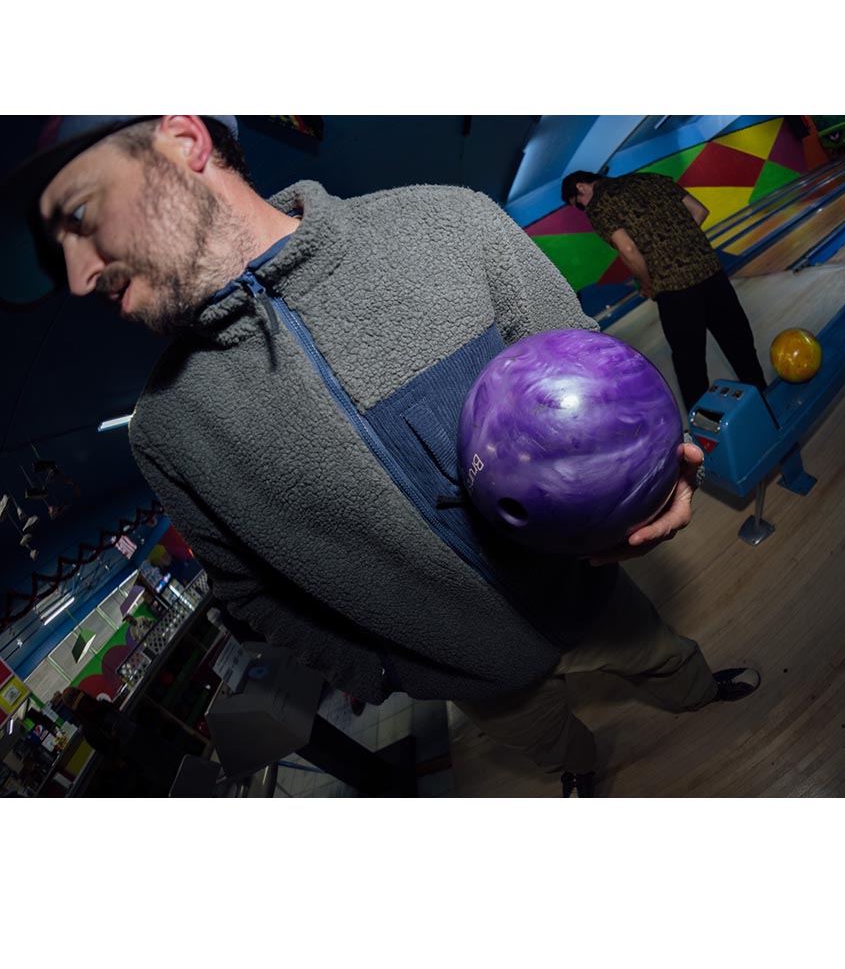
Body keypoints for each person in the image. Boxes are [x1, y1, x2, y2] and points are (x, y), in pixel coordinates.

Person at [6, 116, 762, 798]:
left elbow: (596, 382)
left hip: (588, 592)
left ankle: (699, 695)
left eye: (80, 216)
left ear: (183, 141)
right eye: (55, 249)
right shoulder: (168, 431)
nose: (76, 277)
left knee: (662, 656)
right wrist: (386, 668)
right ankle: (581, 770)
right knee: (547, 741)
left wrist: (653, 479)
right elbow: (250, 597)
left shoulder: (448, 225)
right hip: (473, 675)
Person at [562, 170, 769, 413]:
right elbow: (699, 211)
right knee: (739, 344)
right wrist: (679, 242)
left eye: (579, 205)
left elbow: (628, 249)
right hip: (710, 272)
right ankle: (765, 404)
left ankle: (702, 423)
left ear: (581, 187)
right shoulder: (651, 178)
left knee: (690, 363)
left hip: (675, 289)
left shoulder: (599, 205)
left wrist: (647, 283)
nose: (584, 210)